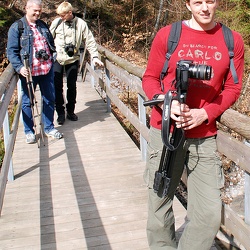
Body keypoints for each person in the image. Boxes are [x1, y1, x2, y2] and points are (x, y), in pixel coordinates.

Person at [142, 0, 244, 249]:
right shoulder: (169, 35)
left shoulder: (232, 40)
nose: (205, 8)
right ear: (187, 4)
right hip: (166, 132)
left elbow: (233, 87)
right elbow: (150, 78)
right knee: (159, 206)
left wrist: (206, 113)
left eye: (210, 1)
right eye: (197, 2)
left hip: (204, 136)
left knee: (209, 215)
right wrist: (167, 105)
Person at [7, 0, 63, 144]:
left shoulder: (42, 25)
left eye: (39, 10)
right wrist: (19, 67)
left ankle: (49, 128)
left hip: (46, 70)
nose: (37, 13)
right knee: (27, 102)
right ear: (26, 8)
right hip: (29, 73)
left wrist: (53, 56)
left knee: (50, 99)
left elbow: (50, 44)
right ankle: (29, 131)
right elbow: (11, 52)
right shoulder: (17, 27)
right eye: (35, 10)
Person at [49, 1, 104, 125]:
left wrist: (94, 56)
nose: (61, 18)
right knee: (57, 87)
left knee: (72, 86)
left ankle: (70, 111)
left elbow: (89, 41)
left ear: (70, 13)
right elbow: (48, 39)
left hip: (73, 59)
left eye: (63, 15)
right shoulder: (57, 23)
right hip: (58, 58)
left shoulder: (81, 24)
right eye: (59, 15)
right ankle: (60, 113)